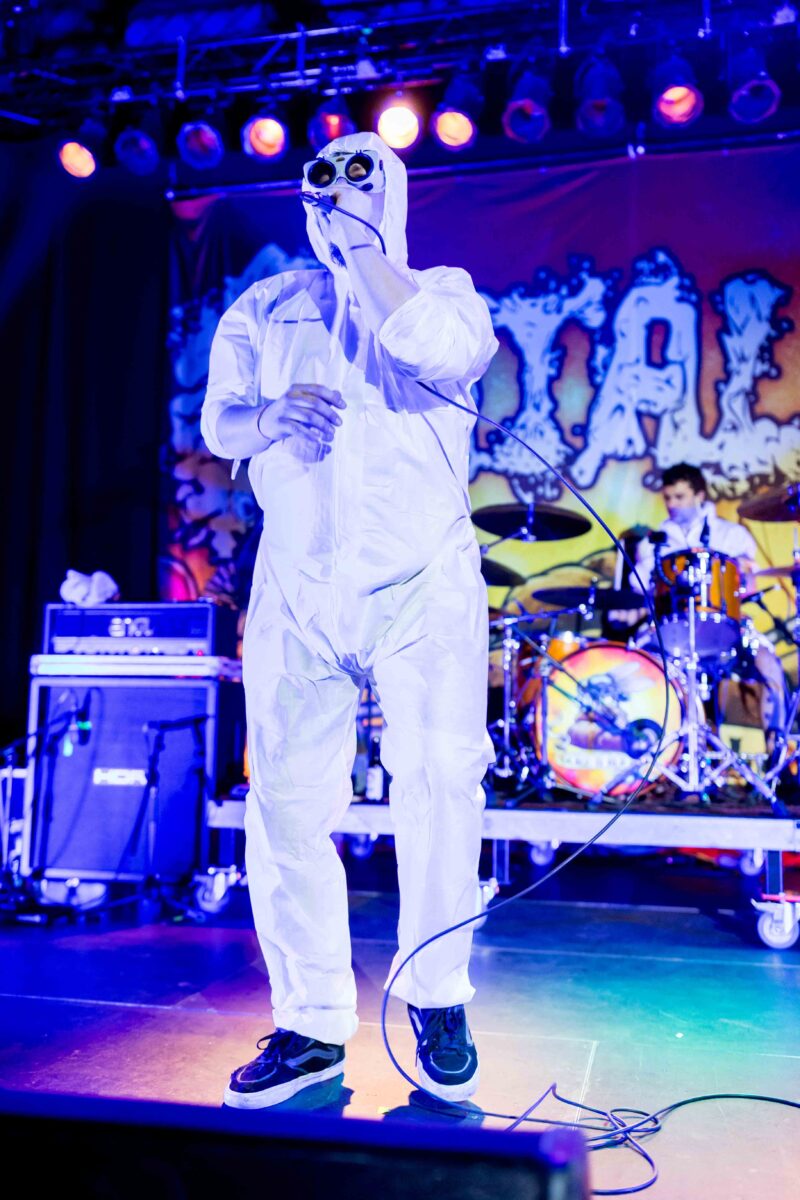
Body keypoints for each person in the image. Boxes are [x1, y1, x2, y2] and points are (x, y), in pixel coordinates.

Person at [201, 132, 498, 1110]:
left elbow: (427, 347)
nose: (336, 188)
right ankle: (311, 1023)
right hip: (299, 580)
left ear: (392, 191)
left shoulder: (444, 294)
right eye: (321, 177)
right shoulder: (265, 306)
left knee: (440, 779)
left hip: (422, 581)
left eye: (359, 173)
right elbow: (218, 422)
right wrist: (268, 419)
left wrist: (363, 249)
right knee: (284, 804)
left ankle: (437, 995)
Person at [635, 462, 786, 740]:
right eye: (667, 498)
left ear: (699, 495)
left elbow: (749, 585)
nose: (672, 504)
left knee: (769, 665)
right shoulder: (653, 542)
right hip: (673, 635)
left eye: (680, 497)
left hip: (728, 628)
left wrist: (741, 574)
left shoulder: (731, 535)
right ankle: (678, 751)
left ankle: (777, 754)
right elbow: (639, 587)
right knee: (646, 669)